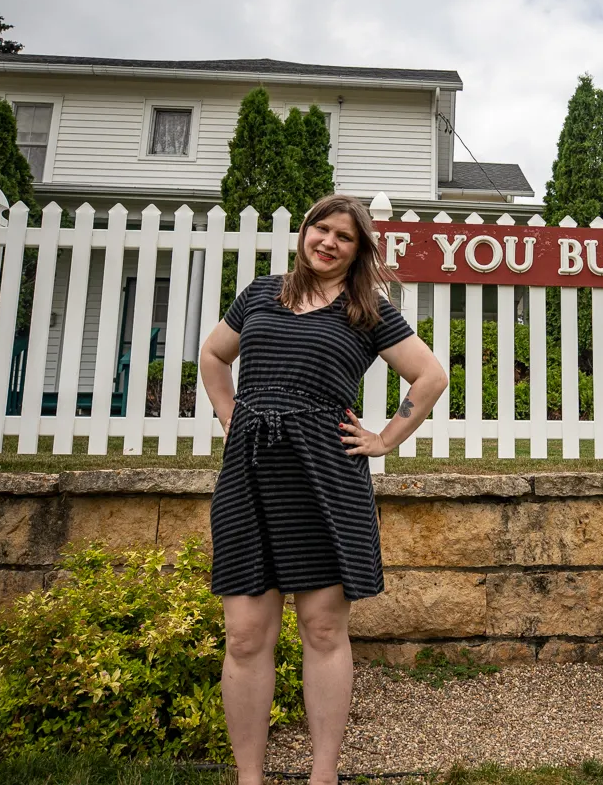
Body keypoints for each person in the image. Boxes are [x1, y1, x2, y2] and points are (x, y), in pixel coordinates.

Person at [198, 194, 447, 785]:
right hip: (251, 475)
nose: (328, 242)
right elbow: (212, 354)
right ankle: (249, 779)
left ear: (359, 250)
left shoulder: (368, 309)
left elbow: (430, 375)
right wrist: (230, 412)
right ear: (305, 230)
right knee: (245, 633)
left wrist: (385, 439)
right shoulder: (261, 293)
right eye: (321, 228)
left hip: (324, 476)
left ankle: (323, 776)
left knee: (325, 628)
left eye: (344, 236)